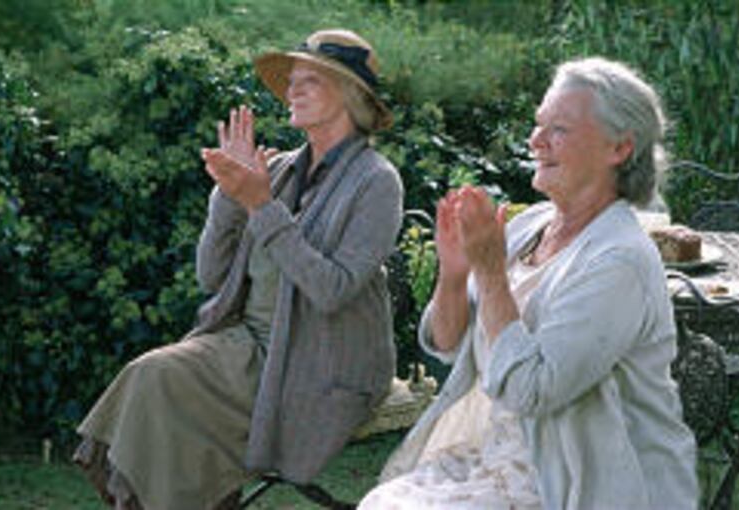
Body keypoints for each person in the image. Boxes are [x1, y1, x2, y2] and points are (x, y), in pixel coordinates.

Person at [73, 29, 403, 510]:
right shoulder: (282, 169)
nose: (293, 90)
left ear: (351, 94)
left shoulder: (376, 181)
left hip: (319, 360)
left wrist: (262, 206)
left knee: (163, 384)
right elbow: (212, 277)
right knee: (151, 375)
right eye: (291, 80)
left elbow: (332, 291)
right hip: (246, 346)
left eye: (310, 80)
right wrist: (228, 198)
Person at [359, 57, 698, 509]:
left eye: (559, 129)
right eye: (539, 125)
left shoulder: (620, 260)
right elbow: (446, 343)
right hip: (498, 459)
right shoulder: (529, 225)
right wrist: (456, 274)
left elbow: (531, 390)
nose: (536, 141)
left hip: (581, 480)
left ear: (619, 148)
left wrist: (491, 273)